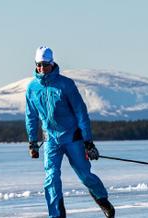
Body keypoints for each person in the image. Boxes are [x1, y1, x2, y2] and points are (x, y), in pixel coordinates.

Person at [25, 46, 115, 218]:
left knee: (85, 175)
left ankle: (103, 200)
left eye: (45, 64)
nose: (42, 69)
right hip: (51, 140)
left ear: (52, 64)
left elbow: (81, 113)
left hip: (72, 137)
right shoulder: (32, 88)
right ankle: (57, 215)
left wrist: (88, 142)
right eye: (38, 65)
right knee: (51, 178)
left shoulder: (66, 85)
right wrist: (32, 142)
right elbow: (30, 116)